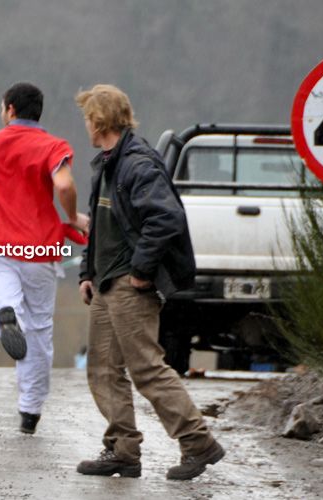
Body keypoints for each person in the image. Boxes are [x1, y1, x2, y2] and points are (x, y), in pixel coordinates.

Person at [74, 84, 224, 480]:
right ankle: (123, 451)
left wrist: (140, 270)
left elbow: (166, 218)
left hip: (130, 286)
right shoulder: (106, 163)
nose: (85, 125)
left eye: (88, 118)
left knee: (147, 369)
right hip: (105, 284)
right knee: (103, 370)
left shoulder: (138, 164)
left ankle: (198, 443)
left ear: (100, 120)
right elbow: (99, 225)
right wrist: (86, 274)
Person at [0, 82, 89, 434]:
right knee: (39, 329)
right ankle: (30, 410)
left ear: (8, 109)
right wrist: (70, 217)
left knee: (2, 305)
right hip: (40, 248)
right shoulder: (52, 146)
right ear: (37, 111)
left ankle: (4, 319)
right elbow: (65, 186)